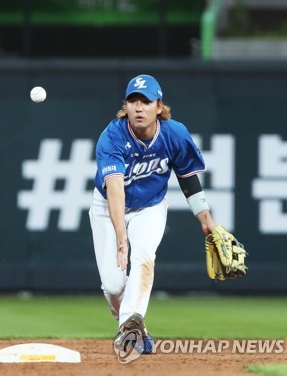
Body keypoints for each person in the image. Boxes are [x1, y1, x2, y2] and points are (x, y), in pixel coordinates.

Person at [89, 74, 218, 357]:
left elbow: (187, 177)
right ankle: (132, 324)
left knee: (144, 256)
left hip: (150, 207)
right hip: (108, 208)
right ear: (125, 105)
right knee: (112, 285)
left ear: (158, 106)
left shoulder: (174, 133)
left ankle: (131, 323)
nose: (138, 107)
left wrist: (204, 217)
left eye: (145, 101)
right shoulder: (112, 136)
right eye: (133, 100)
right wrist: (121, 235)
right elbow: (115, 191)